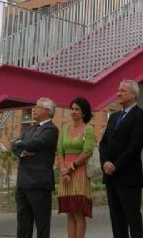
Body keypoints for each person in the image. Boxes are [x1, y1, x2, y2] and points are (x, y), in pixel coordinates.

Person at [99, 80, 143, 238]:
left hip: (128, 176)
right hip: (110, 176)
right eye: (118, 90)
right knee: (116, 219)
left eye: (123, 91)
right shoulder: (113, 117)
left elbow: (135, 146)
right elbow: (103, 144)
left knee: (132, 217)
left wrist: (116, 165)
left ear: (134, 94)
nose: (118, 93)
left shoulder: (141, 115)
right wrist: (105, 162)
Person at [12, 97, 59, 238]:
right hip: (23, 182)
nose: (34, 109)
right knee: (23, 223)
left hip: (39, 183)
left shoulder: (51, 130)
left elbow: (36, 143)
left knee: (41, 223)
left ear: (47, 111)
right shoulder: (30, 128)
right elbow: (14, 145)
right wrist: (23, 151)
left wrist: (23, 144)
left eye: (37, 107)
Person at [57, 97, 96, 238]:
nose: (73, 111)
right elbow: (60, 152)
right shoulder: (64, 129)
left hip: (80, 174)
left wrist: (70, 168)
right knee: (69, 213)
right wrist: (63, 170)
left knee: (79, 213)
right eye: (72, 109)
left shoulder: (89, 129)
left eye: (76, 109)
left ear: (84, 113)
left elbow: (87, 152)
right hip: (65, 175)